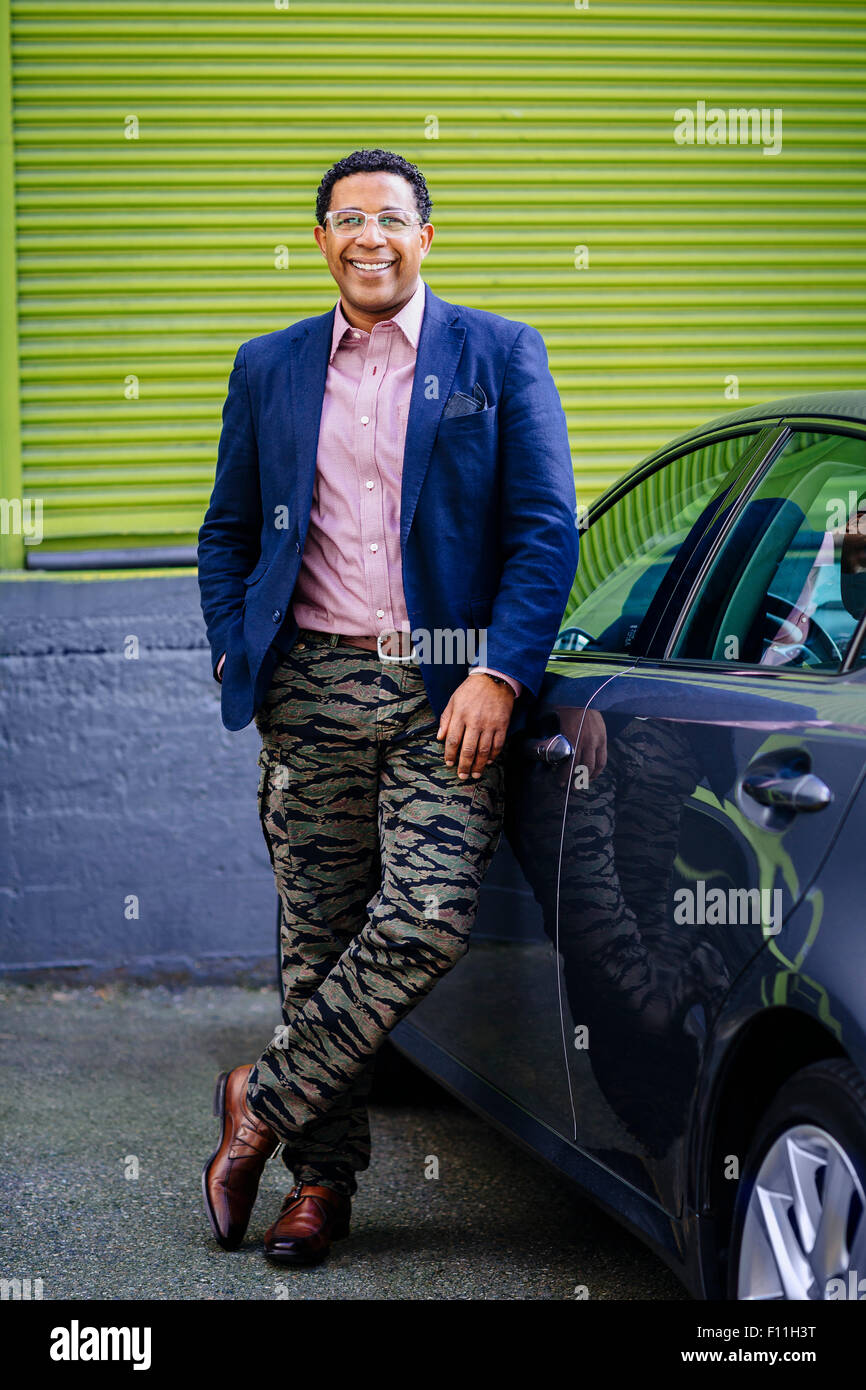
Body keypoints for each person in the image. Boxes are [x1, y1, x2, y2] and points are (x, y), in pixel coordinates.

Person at [197, 148, 579, 1266]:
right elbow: (225, 530)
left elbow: (542, 529)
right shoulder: (267, 366)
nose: (370, 236)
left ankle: (255, 1097)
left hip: (443, 686)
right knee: (315, 943)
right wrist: (238, 653)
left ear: (427, 237)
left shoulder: (496, 353)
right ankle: (320, 1189)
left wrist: (498, 673)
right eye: (347, 218)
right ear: (319, 239)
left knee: (423, 915)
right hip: (308, 685)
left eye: (392, 218)